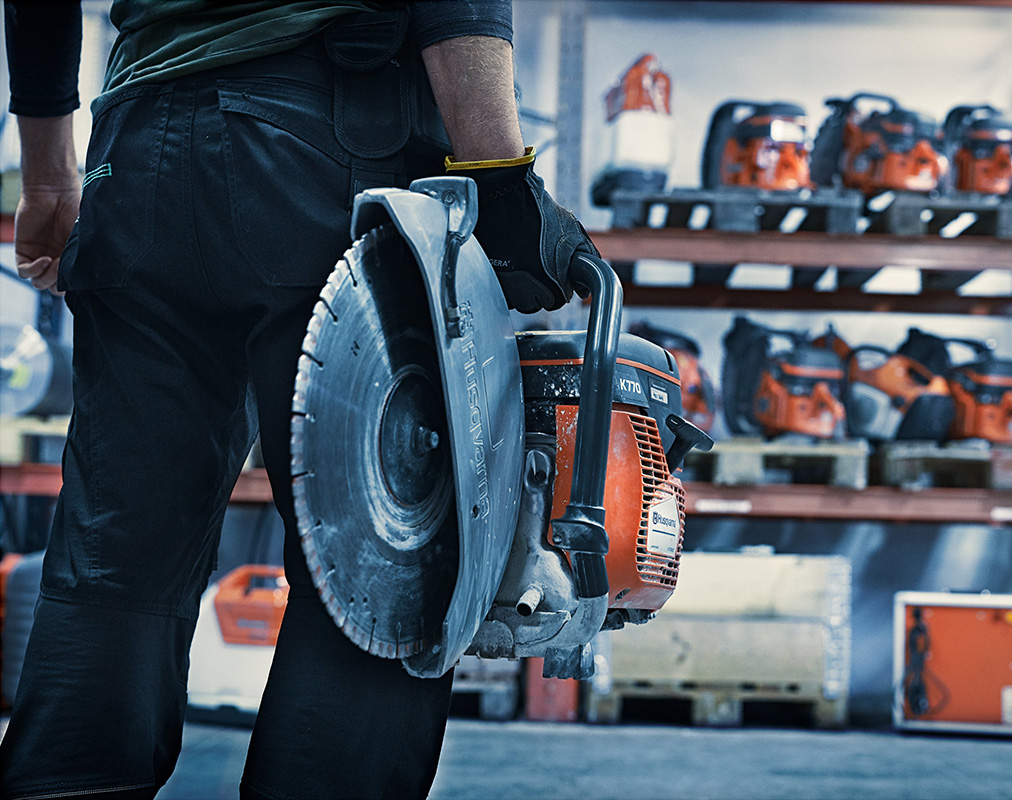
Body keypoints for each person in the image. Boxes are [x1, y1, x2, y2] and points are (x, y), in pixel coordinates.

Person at [0, 2, 598, 797]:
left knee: (117, 560)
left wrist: (47, 174)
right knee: (381, 568)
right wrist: (499, 176)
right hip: (335, 139)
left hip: (138, 148)